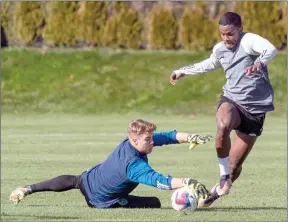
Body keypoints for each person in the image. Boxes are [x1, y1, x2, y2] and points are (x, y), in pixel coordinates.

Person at [170, 12, 277, 207]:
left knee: (235, 165)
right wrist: (183, 71)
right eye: (222, 34)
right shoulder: (220, 49)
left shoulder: (249, 41)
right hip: (232, 100)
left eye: (230, 34)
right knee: (223, 123)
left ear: (240, 29)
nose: (226, 38)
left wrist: (260, 62)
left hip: (255, 110)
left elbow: (270, 49)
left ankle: (217, 191)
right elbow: (210, 64)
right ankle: (223, 176)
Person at [10, 119, 212, 209]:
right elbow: (160, 181)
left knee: (73, 180)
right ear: (135, 141)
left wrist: (191, 137)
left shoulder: (131, 142)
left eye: (151, 138)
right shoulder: (134, 166)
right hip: (100, 200)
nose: (152, 142)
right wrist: (188, 181)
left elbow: (167, 136)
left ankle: (27, 189)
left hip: (88, 177)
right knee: (154, 203)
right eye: (148, 140)